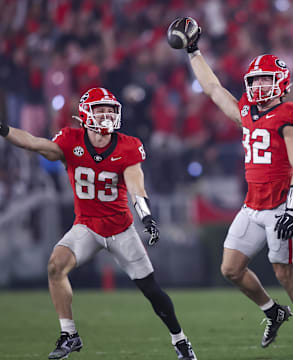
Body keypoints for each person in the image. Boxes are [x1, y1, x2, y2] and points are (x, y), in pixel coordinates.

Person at [168, 22, 293, 360]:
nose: (257, 85)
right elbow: (213, 89)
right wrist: (193, 52)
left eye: (265, 79)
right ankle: (273, 312)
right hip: (252, 205)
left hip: (280, 205)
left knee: (285, 272)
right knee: (230, 269)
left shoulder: (291, 113)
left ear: (281, 83)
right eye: (254, 79)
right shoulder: (248, 112)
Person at [0, 87, 197, 360]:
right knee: (55, 266)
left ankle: (180, 339)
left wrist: (147, 218)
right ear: (85, 114)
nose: (106, 116)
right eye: (100, 110)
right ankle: (70, 335)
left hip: (120, 228)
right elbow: (33, 142)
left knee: (151, 290)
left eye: (110, 110)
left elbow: (136, 185)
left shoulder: (128, 145)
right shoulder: (70, 140)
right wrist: (3, 128)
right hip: (87, 226)